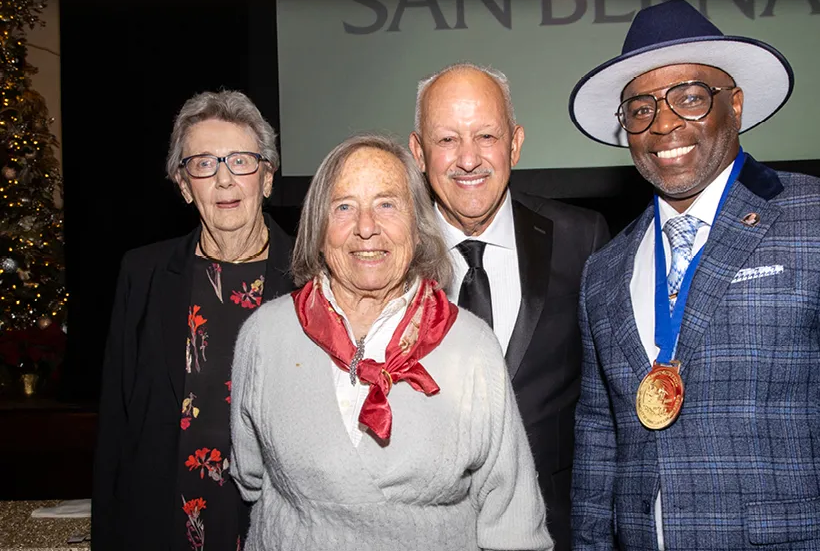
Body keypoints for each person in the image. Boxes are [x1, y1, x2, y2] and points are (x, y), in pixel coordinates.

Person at [568, 0, 820, 550]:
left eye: (689, 97)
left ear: (734, 105)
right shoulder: (604, 269)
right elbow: (600, 435)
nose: (663, 124)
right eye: (641, 108)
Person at [228, 133, 553, 551]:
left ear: (418, 228)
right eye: (344, 207)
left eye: (386, 204)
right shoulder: (264, 337)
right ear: (318, 229)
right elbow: (250, 477)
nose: (366, 228)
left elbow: (514, 525)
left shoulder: (472, 348)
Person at [408, 62, 611, 550]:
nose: (468, 159)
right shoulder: (390, 254)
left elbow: (607, 407)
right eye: (447, 139)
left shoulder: (582, 239)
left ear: (515, 144)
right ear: (418, 152)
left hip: (554, 528)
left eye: (486, 136)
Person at [92, 90, 296, 550]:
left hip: (276, 527)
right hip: (163, 527)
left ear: (266, 177)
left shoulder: (312, 277)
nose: (224, 180)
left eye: (241, 161)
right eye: (204, 164)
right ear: (184, 185)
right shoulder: (143, 274)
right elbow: (115, 429)